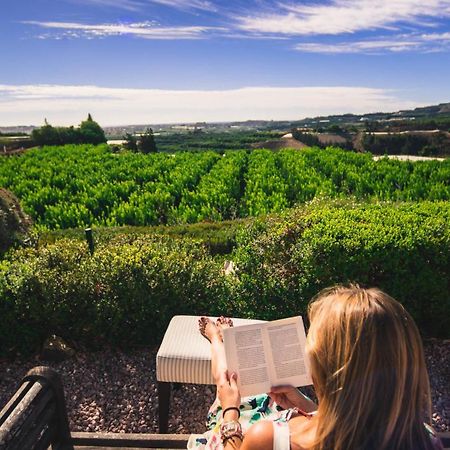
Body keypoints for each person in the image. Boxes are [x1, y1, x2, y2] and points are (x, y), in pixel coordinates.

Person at [188, 285, 443, 450]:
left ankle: (216, 339)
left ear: (329, 368)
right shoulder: (423, 439)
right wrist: (308, 406)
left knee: (229, 384)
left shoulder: (268, 439)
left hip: (247, 426)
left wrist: (230, 411)